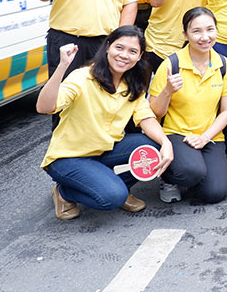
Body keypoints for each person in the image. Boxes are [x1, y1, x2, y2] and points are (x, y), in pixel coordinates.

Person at [37, 27, 174, 220]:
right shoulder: (83, 77)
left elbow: (146, 118)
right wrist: (62, 67)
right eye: (120, 47)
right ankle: (64, 193)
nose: (124, 55)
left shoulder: (132, 84)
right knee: (111, 197)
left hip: (104, 151)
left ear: (140, 56)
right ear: (108, 47)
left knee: (152, 147)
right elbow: (44, 107)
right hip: (69, 157)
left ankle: (113, 184)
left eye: (132, 51)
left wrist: (166, 143)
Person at [149, 8, 227, 204]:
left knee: (215, 193)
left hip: (209, 134)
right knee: (191, 172)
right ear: (185, 35)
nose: (204, 37)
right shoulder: (171, 64)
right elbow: (154, 112)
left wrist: (205, 137)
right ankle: (169, 178)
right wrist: (167, 91)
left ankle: (197, 170)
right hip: (176, 134)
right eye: (196, 31)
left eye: (210, 30)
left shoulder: (224, 65)